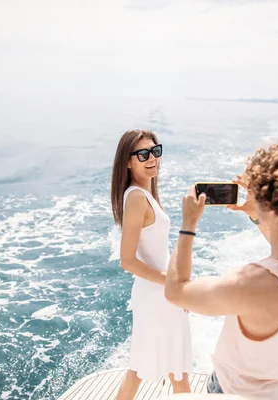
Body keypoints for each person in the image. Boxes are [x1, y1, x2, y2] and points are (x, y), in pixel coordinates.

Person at [164, 144, 278, 399]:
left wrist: (188, 224)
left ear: (271, 206)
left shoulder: (255, 284)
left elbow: (176, 291)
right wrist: (257, 214)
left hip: (232, 392)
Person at [110, 129, 192, 400]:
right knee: (171, 369)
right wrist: (173, 285)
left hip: (159, 292)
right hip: (157, 294)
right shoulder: (136, 197)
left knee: (152, 368)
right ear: (128, 162)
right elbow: (128, 260)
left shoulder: (144, 194)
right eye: (142, 154)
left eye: (155, 151)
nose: (152, 158)